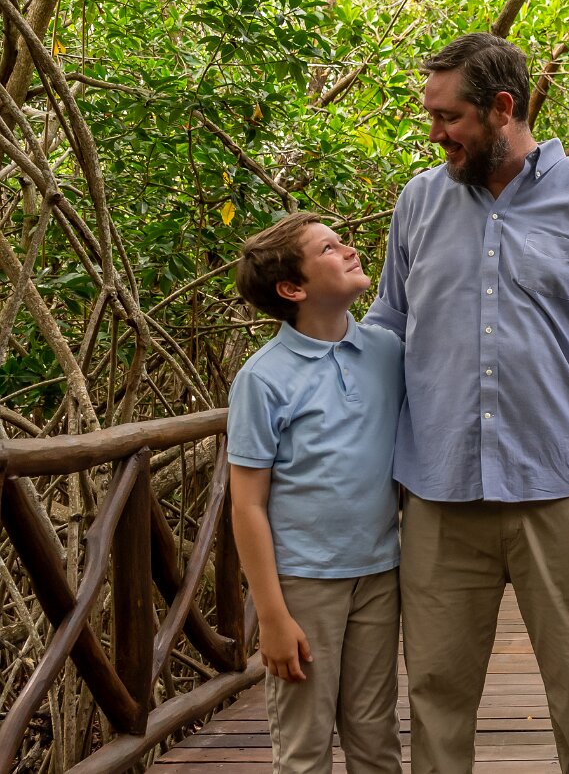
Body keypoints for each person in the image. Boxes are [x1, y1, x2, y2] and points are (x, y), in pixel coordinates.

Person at [363, 32, 569, 774]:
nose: (435, 133)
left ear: (502, 108)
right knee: (435, 694)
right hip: (439, 488)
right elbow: (387, 327)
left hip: (561, 489)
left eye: (448, 117)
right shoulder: (418, 201)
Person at [227, 211, 404, 774]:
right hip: (304, 583)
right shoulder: (263, 378)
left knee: (376, 737)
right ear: (292, 289)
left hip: (380, 572)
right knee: (304, 746)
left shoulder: (387, 351)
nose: (349, 250)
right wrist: (272, 616)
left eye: (342, 241)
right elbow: (247, 504)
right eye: (329, 248)